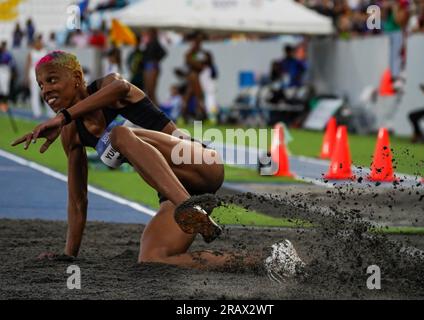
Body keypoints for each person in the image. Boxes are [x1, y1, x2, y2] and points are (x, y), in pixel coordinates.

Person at [11, 51, 305, 279]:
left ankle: (190, 208)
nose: (45, 90)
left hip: (196, 161)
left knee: (120, 134)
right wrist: (68, 255)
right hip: (176, 194)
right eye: (39, 84)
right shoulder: (72, 134)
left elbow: (120, 89)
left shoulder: (111, 86)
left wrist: (62, 117)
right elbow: (78, 201)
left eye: (52, 80)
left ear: (77, 77)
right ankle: (273, 259)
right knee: (154, 257)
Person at [25, 35, 52, 118]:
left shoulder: (44, 51)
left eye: (39, 43)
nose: (38, 44)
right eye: (37, 43)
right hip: (33, 73)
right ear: (34, 44)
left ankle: (50, 111)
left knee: (47, 92)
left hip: (43, 73)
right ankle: (36, 112)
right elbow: (28, 65)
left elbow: (49, 64)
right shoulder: (31, 53)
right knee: (34, 93)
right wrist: (27, 77)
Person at [142, 28, 166, 105]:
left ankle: (157, 109)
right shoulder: (149, 43)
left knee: (151, 91)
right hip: (148, 66)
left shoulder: (155, 43)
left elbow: (163, 53)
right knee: (148, 91)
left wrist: (156, 60)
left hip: (152, 66)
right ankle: (153, 109)